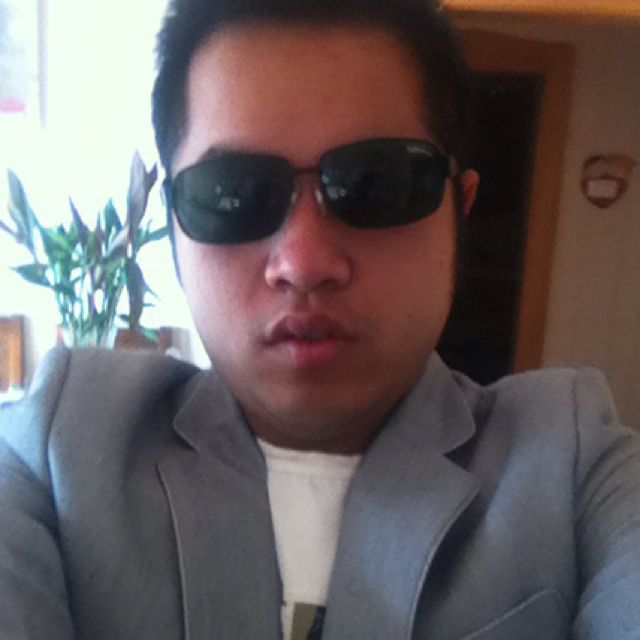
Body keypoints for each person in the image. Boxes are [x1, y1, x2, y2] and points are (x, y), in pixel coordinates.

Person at [1, 0, 639, 638]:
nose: (303, 263)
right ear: (172, 228)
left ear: (459, 212)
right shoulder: (56, 456)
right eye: (232, 193)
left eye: (379, 183)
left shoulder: (576, 469)